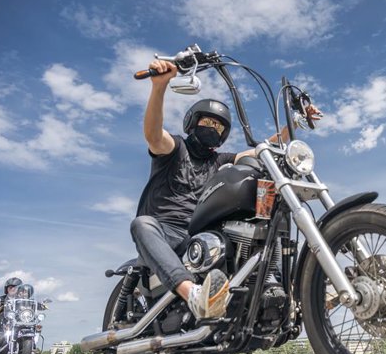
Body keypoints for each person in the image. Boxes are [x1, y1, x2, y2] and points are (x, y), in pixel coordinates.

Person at [130, 59, 321, 320]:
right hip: (164, 231)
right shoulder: (174, 149)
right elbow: (153, 135)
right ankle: (194, 295)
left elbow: (260, 149)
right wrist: (159, 87)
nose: (213, 129)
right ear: (193, 123)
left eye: (219, 126)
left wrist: (294, 125)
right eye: (207, 123)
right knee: (141, 223)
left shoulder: (219, 160)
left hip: (196, 234)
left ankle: (283, 292)